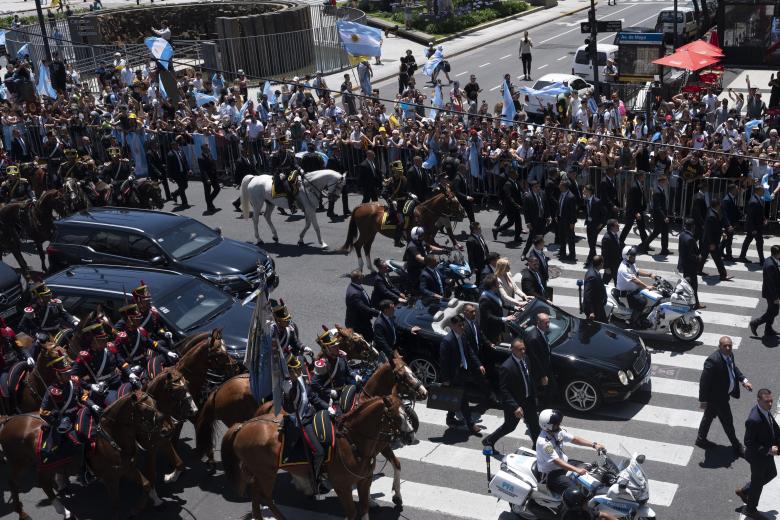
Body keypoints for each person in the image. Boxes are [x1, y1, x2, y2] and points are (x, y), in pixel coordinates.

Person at [281, 353, 329, 499]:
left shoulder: (301, 379)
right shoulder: (287, 388)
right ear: (288, 372)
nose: (298, 372)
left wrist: (328, 407)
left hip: (312, 414)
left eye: (298, 369)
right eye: (294, 371)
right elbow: (289, 409)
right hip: (301, 421)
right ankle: (314, 480)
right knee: (319, 452)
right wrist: (288, 394)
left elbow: (312, 397)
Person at [696, 336, 752, 457]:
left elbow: (733, 369)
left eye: (730, 346)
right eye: (725, 346)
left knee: (709, 416)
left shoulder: (729, 355)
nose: (727, 348)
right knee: (728, 421)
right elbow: (704, 382)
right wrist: (703, 400)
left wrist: (744, 380)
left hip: (722, 395)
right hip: (717, 398)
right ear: (719, 346)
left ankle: (701, 439)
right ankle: (737, 446)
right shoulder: (712, 361)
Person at [482, 338, 540, 450]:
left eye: (524, 349)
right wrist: (515, 407)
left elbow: (529, 379)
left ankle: (537, 449)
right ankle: (489, 440)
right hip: (515, 404)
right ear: (512, 350)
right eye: (519, 349)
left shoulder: (526, 359)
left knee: (534, 425)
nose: (523, 351)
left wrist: (534, 395)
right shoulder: (506, 367)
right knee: (509, 426)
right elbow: (504, 390)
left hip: (528, 400)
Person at [535, 409, 604, 495]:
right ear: (547, 426)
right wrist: (577, 470)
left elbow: (574, 439)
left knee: (591, 469)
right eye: (556, 424)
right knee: (577, 493)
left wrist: (594, 445)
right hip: (553, 473)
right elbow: (557, 461)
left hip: (565, 464)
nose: (559, 425)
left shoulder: (557, 432)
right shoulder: (544, 442)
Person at [736, 388, 780, 519]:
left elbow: (773, 426)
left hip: (766, 454)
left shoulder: (765, 410)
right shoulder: (753, 420)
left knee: (772, 473)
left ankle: (745, 491)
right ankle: (750, 509)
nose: (770, 404)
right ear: (759, 400)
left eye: (771, 401)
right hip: (757, 457)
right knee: (757, 483)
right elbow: (748, 442)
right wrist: (767, 450)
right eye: (767, 402)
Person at [439, 314, 483, 436]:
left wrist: (479, 364)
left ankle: (450, 417)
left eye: (463, 324)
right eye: (460, 325)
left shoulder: (463, 336)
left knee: (457, 397)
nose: (462, 327)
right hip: (453, 376)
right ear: (453, 326)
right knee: (463, 399)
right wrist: (446, 379)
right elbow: (444, 362)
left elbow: (469, 351)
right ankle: (470, 425)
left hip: (463, 372)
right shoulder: (447, 341)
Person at [309, 329, 360, 412]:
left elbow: (348, 369)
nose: (337, 348)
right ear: (326, 349)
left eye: (336, 345)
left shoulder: (341, 357)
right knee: (339, 418)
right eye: (334, 347)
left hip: (343, 392)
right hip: (330, 398)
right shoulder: (323, 364)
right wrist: (329, 391)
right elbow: (314, 384)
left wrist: (355, 375)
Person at [615, 246, 655, 327]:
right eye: (632, 256)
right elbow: (634, 280)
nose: (634, 257)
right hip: (626, 293)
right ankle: (633, 322)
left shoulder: (630, 263)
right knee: (642, 302)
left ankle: (644, 316)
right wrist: (646, 286)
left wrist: (649, 274)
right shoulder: (624, 268)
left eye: (634, 256)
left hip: (633, 290)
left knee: (650, 296)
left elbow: (637, 271)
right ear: (627, 257)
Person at [750, 245, 780, 338]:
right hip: (771, 293)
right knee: (774, 312)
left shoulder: (770, 259)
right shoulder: (770, 265)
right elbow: (771, 284)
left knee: (771, 311)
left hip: (771, 291)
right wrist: (775, 297)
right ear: (777, 254)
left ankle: (768, 329)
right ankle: (755, 323)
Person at [699, 198, 732, 281]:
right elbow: (710, 231)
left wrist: (721, 233)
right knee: (718, 259)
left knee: (703, 256)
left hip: (707, 240)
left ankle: (698, 270)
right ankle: (723, 275)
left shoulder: (711, 212)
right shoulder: (712, 215)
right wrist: (712, 244)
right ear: (718, 205)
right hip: (711, 241)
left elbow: (715, 228)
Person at [479, 274, 517, 344]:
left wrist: (515, 308)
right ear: (493, 286)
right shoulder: (484, 299)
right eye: (497, 282)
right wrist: (505, 319)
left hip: (498, 326)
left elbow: (502, 304)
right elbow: (489, 317)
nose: (499, 283)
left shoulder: (495, 292)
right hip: (491, 329)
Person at [344, 270, 380, 341]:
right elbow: (363, 308)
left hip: (362, 320)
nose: (363, 277)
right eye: (362, 276)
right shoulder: (354, 293)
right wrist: (379, 313)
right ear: (358, 278)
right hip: (359, 324)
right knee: (368, 340)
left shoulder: (356, 285)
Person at [678, 218, 705, 310]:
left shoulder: (682, 235)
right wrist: (698, 258)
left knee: (688, 285)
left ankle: (694, 303)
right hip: (690, 266)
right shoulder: (690, 239)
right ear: (693, 227)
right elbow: (690, 255)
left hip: (685, 264)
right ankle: (693, 304)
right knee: (693, 286)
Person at [619, 172, 649, 249]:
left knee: (642, 227)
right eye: (644, 175)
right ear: (640, 176)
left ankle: (645, 244)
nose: (645, 177)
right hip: (633, 211)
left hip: (638, 210)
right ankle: (620, 241)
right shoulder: (634, 186)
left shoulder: (639, 185)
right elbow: (631, 201)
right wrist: (636, 213)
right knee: (628, 226)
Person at [493, 169, 523, 245]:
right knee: (511, 222)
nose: (518, 174)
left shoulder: (515, 182)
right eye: (516, 173)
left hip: (516, 206)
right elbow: (509, 197)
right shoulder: (507, 184)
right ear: (512, 175)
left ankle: (517, 237)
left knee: (518, 222)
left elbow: (520, 190)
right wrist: (516, 205)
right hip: (510, 207)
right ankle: (497, 230)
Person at [643, 175, 671, 256]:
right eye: (666, 181)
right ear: (661, 182)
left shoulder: (660, 190)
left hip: (662, 215)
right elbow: (657, 207)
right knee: (656, 232)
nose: (667, 182)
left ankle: (664, 249)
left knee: (665, 232)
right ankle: (645, 245)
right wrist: (664, 217)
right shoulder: (657, 192)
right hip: (659, 216)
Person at [739, 185, 767, 264]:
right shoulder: (753, 201)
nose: (764, 191)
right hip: (755, 227)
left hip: (756, 226)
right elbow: (750, 217)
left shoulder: (758, 199)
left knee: (748, 240)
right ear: (758, 191)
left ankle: (742, 256)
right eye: (762, 190)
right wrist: (753, 229)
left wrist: (764, 218)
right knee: (759, 242)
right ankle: (762, 260)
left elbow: (759, 213)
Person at [522, 181, 547, 258]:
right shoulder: (528, 197)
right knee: (531, 239)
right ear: (532, 188)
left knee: (541, 238)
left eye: (539, 186)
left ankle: (540, 253)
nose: (538, 188)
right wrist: (528, 222)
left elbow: (546, 205)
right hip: (533, 221)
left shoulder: (542, 193)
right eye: (536, 187)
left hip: (542, 220)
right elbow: (526, 211)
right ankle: (524, 253)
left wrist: (548, 216)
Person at [582, 184, 606, 265]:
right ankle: (594, 257)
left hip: (596, 225)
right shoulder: (586, 200)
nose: (583, 191)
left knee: (592, 242)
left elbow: (604, 213)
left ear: (589, 191)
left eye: (584, 190)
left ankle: (591, 259)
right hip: (589, 224)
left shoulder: (597, 201)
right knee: (590, 242)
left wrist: (601, 224)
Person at [166, 137, 191, 208]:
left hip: (183, 172)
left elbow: (185, 162)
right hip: (176, 174)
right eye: (176, 145)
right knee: (181, 187)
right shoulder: (170, 155)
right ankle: (184, 203)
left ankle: (175, 194)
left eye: (178, 145)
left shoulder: (181, 152)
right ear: (173, 146)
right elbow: (169, 166)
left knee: (185, 186)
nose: (178, 146)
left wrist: (189, 169)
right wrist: (170, 176)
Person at [556, 180, 577, 261]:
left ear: (564, 187)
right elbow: (559, 205)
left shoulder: (571, 197)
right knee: (562, 237)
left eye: (560, 185)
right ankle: (562, 252)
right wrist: (556, 215)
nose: (559, 186)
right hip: (561, 219)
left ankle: (572, 255)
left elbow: (573, 212)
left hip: (568, 221)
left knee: (570, 239)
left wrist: (572, 222)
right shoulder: (561, 194)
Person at [582, 256, 607, 322]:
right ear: (601, 264)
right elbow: (587, 294)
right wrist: (591, 312)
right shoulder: (592, 276)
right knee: (596, 326)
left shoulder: (594, 271)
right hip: (594, 308)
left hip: (598, 305)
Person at [198, 143, 220, 213]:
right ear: (203, 149)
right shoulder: (200, 157)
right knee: (207, 192)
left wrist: (216, 173)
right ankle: (209, 207)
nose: (208, 149)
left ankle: (209, 201)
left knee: (217, 188)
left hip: (213, 176)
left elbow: (213, 164)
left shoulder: (210, 155)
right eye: (207, 148)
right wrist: (207, 178)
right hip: (207, 177)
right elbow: (203, 170)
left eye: (208, 147)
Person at [721, 183, 740, 261]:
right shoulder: (726, 200)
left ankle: (720, 252)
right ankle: (728, 256)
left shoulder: (732, 198)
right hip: (728, 224)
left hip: (731, 223)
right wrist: (728, 225)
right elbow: (725, 214)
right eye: (736, 189)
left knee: (727, 240)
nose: (737, 190)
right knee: (728, 241)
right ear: (732, 190)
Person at [601, 219, 621, 286]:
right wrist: (606, 267)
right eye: (617, 225)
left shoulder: (614, 234)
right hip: (611, 266)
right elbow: (604, 254)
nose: (619, 226)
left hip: (616, 264)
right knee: (605, 282)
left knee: (617, 282)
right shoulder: (607, 238)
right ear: (612, 227)